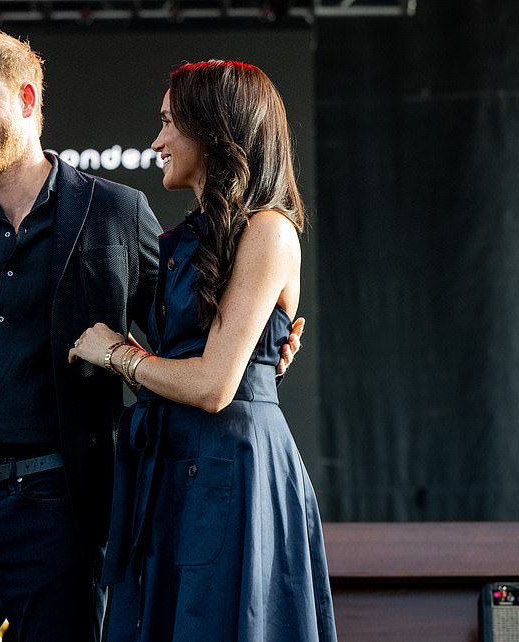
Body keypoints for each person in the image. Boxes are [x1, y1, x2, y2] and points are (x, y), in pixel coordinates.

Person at [0, 31, 303, 642]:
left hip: (57, 514)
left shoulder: (114, 212)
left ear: (26, 99)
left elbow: (188, 334)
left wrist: (265, 346)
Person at [69, 61, 336, 641]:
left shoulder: (269, 229)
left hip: (233, 472)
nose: (156, 141)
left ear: (213, 130)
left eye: (169, 123)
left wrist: (118, 356)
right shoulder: (181, 242)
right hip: (174, 469)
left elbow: (215, 386)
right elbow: (194, 368)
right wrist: (138, 359)